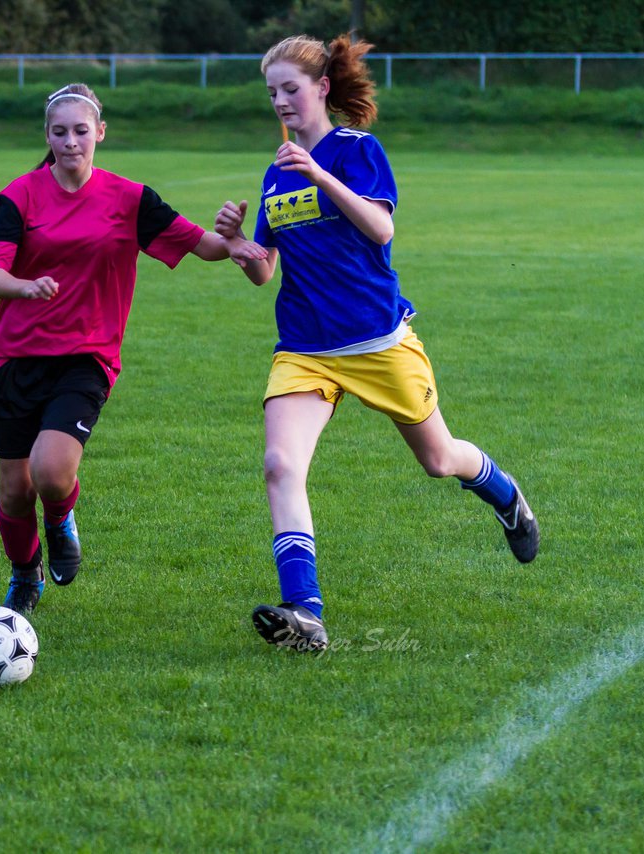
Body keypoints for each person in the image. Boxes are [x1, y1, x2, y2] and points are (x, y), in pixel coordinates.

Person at [214, 35, 539, 652]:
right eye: (272, 92)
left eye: (291, 89)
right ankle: (305, 614)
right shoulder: (275, 171)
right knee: (281, 466)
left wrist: (320, 176)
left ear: (322, 89)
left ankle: (505, 493)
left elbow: (380, 226)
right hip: (305, 347)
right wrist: (237, 244)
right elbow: (265, 270)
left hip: (378, 340)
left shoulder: (356, 150)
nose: (281, 102)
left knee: (440, 459)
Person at [0, 83, 244, 616]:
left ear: (100, 133)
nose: (70, 141)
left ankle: (61, 518)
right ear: (47, 137)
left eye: (80, 131)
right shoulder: (18, 196)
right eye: (60, 132)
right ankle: (25, 575)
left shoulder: (130, 198)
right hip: (15, 358)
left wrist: (232, 237)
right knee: (13, 492)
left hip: (86, 357)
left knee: (51, 474)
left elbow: (199, 245)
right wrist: (24, 286)